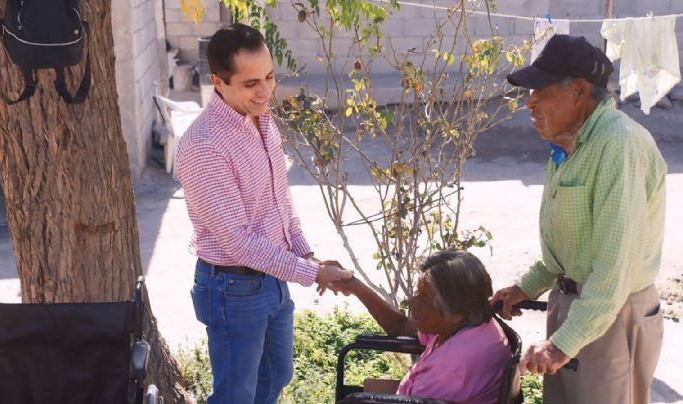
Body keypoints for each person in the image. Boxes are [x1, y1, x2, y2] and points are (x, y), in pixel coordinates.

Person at [175, 23, 353, 404]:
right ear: (218, 82)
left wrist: (306, 254)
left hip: (273, 277)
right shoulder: (205, 147)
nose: (265, 90)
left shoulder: (262, 120)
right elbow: (239, 242)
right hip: (231, 287)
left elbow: (277, 202)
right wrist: (314, 273)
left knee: (276, 375)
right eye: (251, 82)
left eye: (270, 77)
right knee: (235, 395)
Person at [491, 34, 666, 404]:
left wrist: (559, 346)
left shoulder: (618, 145)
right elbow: (568, 252)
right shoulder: (568, 145)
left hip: (612, 315)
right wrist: (527, 287)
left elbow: (612, 268)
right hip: (577, 310)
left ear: (581, 91)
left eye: (542, 91)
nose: (530, 102)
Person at [331, 251, 511, 404]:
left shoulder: (449, 369)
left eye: (424, 297)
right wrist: (356, 287)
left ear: (456, 311)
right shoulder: (469, 324)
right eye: (417, 292)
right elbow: (401, 327)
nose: (413, 302)